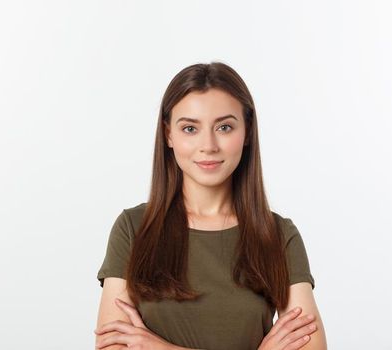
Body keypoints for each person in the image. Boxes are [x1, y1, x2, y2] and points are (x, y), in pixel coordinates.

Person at [93, 62, 327, 350]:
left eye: (225, 127)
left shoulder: (277, 235)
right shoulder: (133, 229)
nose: (208, 145)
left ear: (248, 132)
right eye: (190, 128)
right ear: (168, 134)